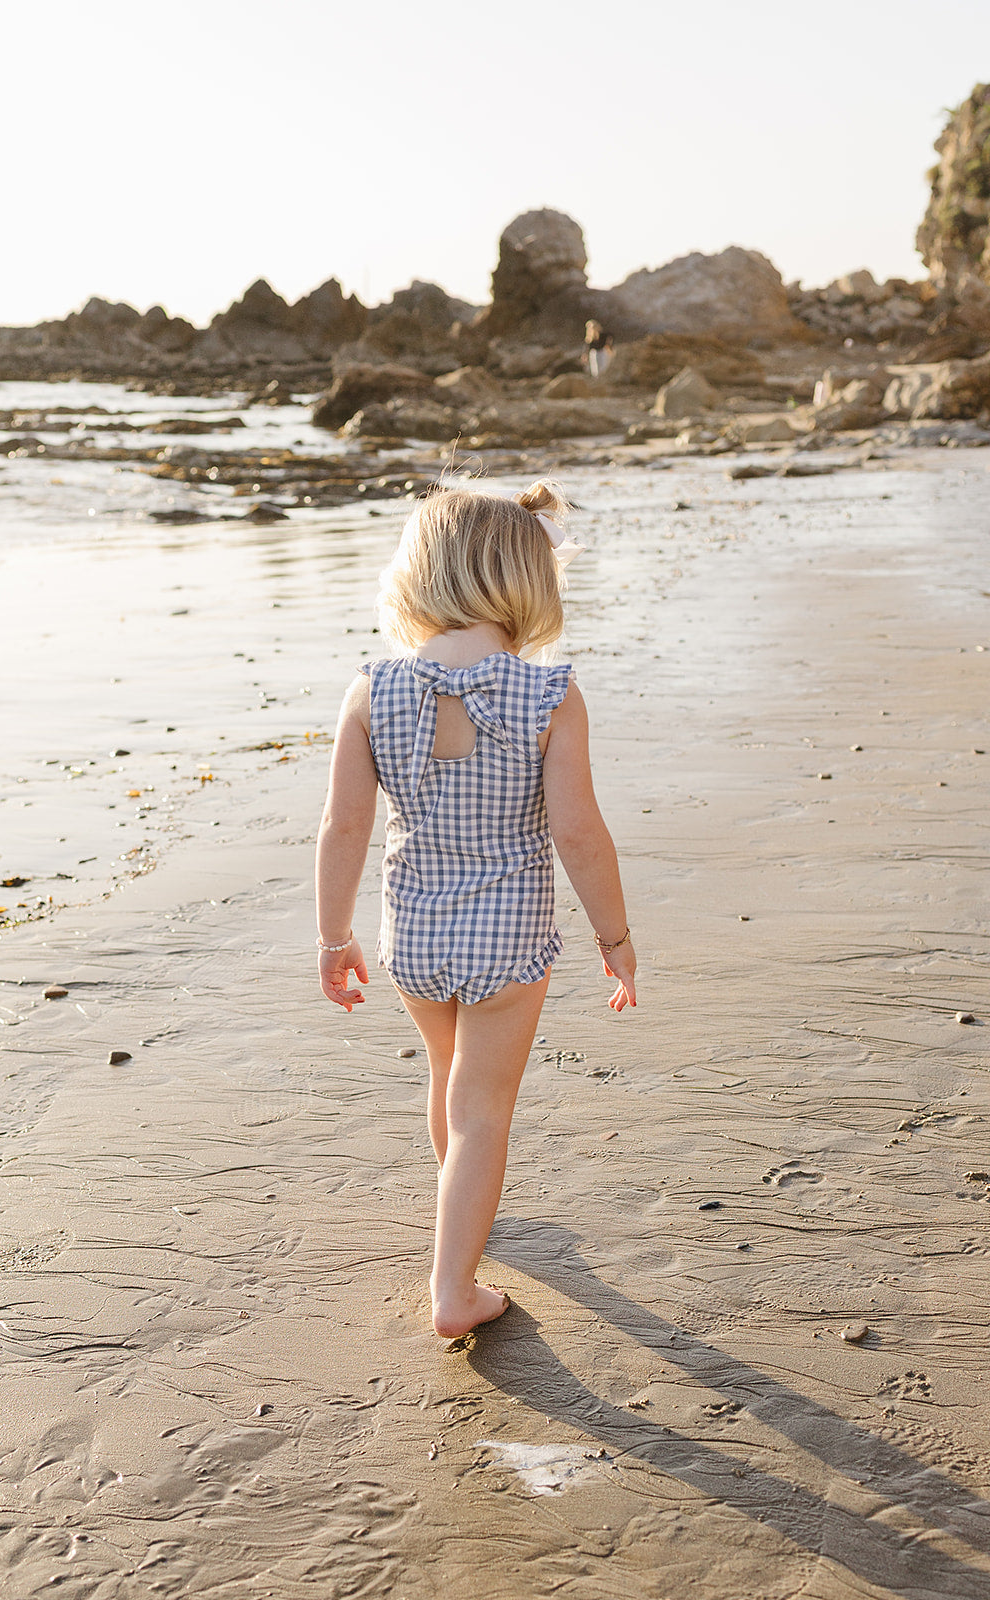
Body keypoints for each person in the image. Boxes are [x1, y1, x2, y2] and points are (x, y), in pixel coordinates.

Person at [314, 480, 637, 1340]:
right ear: (528, 580)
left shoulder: (371, 690)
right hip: (507, 941)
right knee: (483, 1109)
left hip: (413, 933)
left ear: (417, 575)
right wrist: (614, 936)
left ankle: (462, 1216)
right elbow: (579, 832)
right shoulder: (549, 695)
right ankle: (453, 1288)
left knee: (447, 1078)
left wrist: (332, 936)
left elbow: (342, 826)